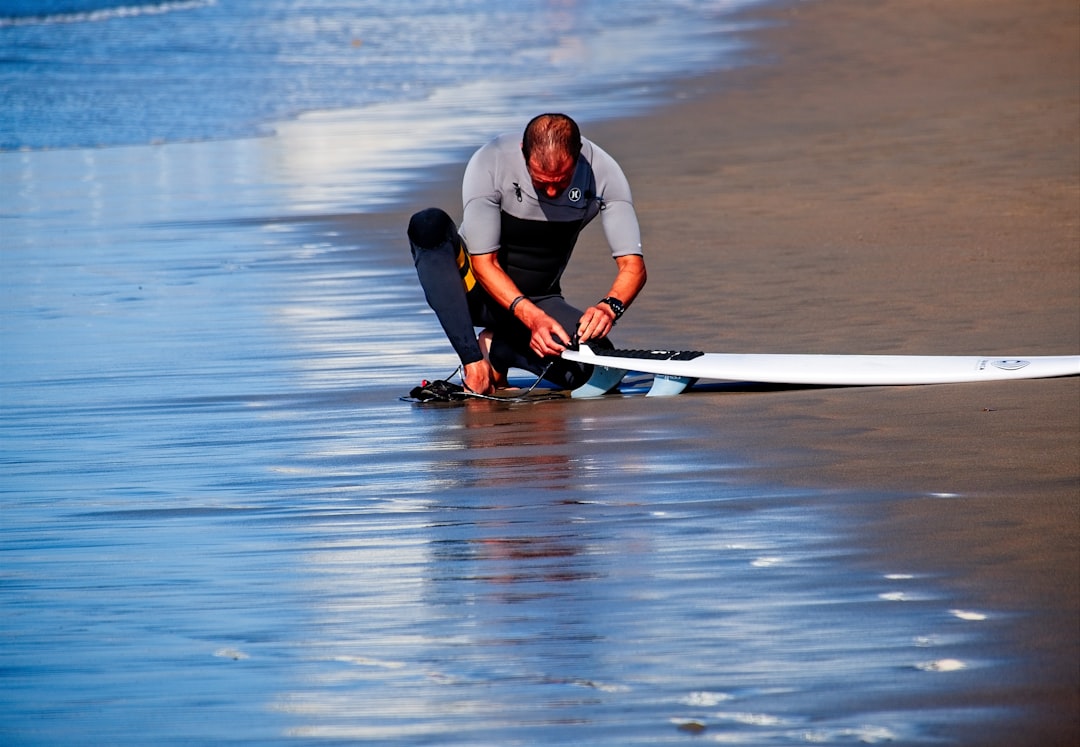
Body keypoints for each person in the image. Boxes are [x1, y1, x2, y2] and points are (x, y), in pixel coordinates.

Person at [407, 113, 647, 394]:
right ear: (524, 152)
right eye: (542, 181)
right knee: (427, 224)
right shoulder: (491, 161)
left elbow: (633, 266)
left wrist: (610, 306)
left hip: (540, 298)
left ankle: (499, 349)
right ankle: (474, 361)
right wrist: (530, 319)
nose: (552, 191)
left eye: (562, 181)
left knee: (597, 367)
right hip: (473, 292)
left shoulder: (603, 173)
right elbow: (484, 264)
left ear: (578, 153)